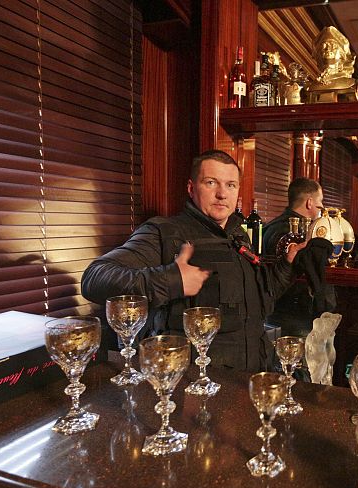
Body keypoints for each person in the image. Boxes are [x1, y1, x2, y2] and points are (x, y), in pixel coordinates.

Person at [81, 149, 304, 373]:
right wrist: (171, 280)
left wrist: (288, 265)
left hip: (251, 376)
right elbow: (94, 278)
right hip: (193, 383)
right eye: (211, 182)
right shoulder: (164, 232)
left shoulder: (238, 235)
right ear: (191, 188)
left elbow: (258, 303)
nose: (222, 194)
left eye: (231, 185)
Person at [262, 178, 334, 349]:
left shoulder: (269, 226)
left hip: (271, 314)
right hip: (298, 319)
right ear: (310, 202)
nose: (322, 207)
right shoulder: (302, 234)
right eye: (320, 202)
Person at [262, 177, 324, 258]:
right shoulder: (296, 232)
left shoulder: (272, 225)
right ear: (310, 203)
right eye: (320, 200)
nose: (322, 206)